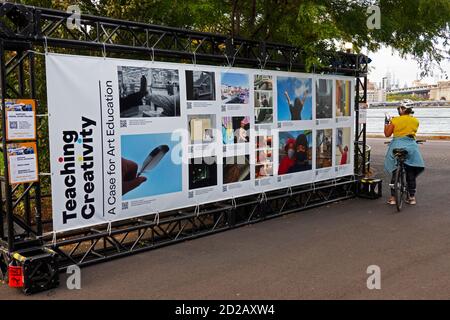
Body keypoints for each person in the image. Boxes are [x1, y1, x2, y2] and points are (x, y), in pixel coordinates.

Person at [384, 103, 425, 205]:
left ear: (401, 110)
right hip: (411, 146)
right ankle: (412, 197)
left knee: (394, 168)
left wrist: (387, 122)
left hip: (397, 145)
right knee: (410, 170)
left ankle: (393, 198)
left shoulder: (395, 120)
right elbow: (410, 133)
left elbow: (387, 134)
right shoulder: (415, 121)